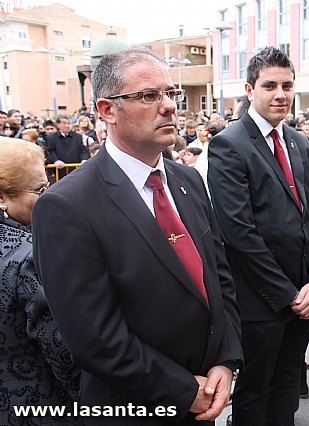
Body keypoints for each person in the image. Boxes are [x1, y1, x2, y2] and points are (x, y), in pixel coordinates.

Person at [31, 48, 242, 424]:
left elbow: (218, 279)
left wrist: (226, 361)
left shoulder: (188, 180)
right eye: (149, 95)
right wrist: (183, 391)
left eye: (170, 94)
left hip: (208, 393)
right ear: (107, 110)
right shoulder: (67, 205)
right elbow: (94, 338)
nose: (169, 107)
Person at [208, 47, 309, 426]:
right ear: (250, 89)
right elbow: (239, 233)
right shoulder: (229, 144)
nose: (280, 94)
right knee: (256, 391)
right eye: (270, 85)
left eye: (287, 85)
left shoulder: (299, 141)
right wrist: (287, 294)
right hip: (262, 301)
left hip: (304, 294)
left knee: (288, 384)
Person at [0, 138, 80, 425]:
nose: (47, 197)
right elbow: (61, 348)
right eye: (38, 190)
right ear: (2, 196)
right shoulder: (29, 257)